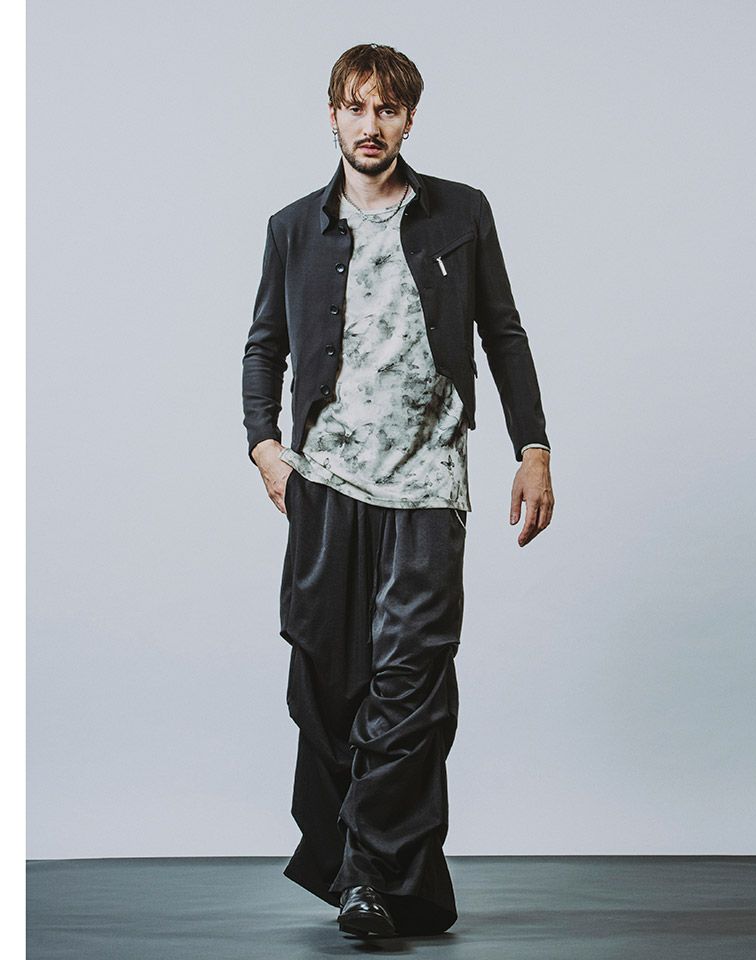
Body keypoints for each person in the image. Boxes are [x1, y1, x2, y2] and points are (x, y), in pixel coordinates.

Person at [241, 42, 555, 940]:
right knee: (328, 687)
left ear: (410, 118)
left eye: (387, 108)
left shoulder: (461, 212)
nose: (370, 125)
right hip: (328, 485)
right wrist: (265, 446)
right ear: (332, 115)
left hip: (427, 485)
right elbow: (265, 344)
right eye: (356, 107)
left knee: (410, 687)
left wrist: (532, 448)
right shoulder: (293, 227)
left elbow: (503, 332)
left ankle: (369, 879)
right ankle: (369, 873)